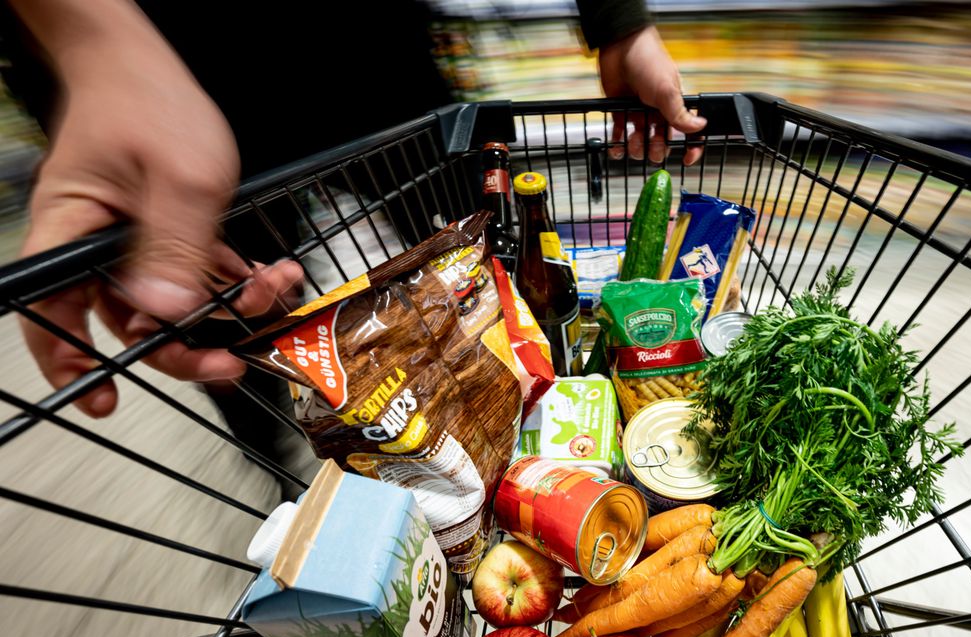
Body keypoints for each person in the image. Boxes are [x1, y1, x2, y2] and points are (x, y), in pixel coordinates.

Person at [3, 0, 706, 421]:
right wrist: (93, 42)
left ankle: (496, 398)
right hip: (159, 82)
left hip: (371, 54)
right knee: (232, 331)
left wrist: (620, 25)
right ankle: (300, 487)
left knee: (474, 257)